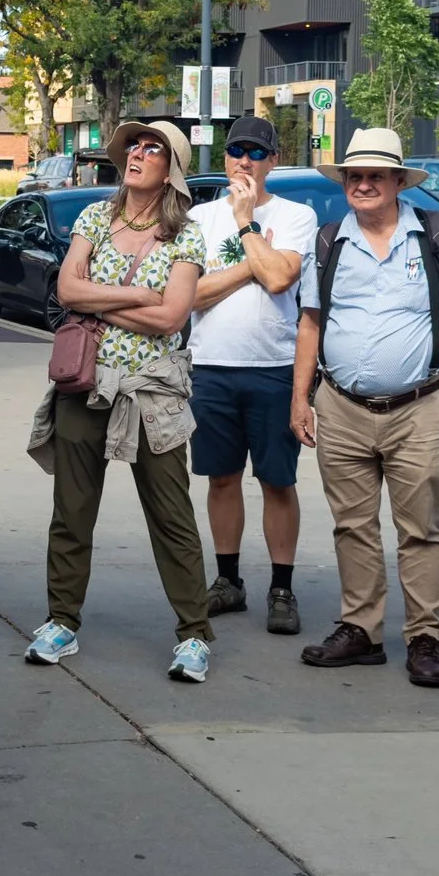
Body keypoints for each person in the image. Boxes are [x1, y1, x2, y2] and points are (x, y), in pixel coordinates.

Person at [291, 127, 439, 688]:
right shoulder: (328, 240)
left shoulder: (434, 231)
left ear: (397, 182)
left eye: (375, 176)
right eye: (354, 176)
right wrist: (300, 399)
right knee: (352, 526)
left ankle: (424, 637)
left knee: (420, 530)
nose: (363, 185)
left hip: (419, 408)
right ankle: (360, 630)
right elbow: (310, 322)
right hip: (341, 407)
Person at [25, 119, 215, 682]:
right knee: (72, 511)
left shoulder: (187, 236)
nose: (137, 153)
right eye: (134, 144)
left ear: (170, 170)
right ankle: (61, 622)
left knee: (171, 515)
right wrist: (138, 295)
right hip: (86, 382)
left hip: (152, 391)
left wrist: (99, 303)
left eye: (153, 148)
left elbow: (171, 317)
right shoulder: (94, 218)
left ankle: (194, 634)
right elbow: (67, 290)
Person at [188, 114, 320, 635]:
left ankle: (281, 588)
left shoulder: (296, 215)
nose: (246, 160)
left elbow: (283, 277)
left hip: (273, 368)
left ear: (274, 160)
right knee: (221, 478)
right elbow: (189, 295)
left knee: (277, 481)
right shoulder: (199, 217)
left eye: (257, 152)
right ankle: (228, 581)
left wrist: (245, 223)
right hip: (211, 367)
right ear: (225, 158)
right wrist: (254, 266)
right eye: (237, 151)